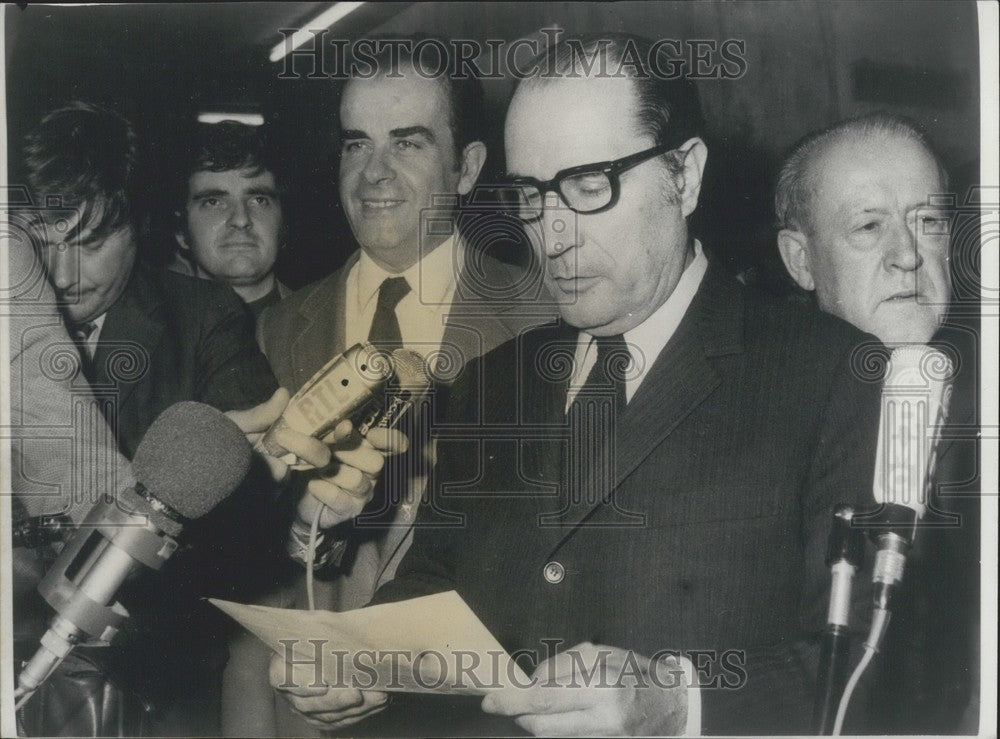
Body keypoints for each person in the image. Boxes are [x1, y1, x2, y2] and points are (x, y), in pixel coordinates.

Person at [268, 34, 884, 736]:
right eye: (529, 195)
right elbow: (438, 580)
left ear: (684, 175)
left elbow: (870, 663)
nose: (553, 235)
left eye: (590, 187)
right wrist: (366, 658)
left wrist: (678, 705)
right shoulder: (492, 379)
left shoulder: (829, 374)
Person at [226, 36, 553, 737]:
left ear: (467, 168)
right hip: (301, 702)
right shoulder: (276, 329)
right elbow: (246, 562)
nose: (373, 172)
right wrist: (291, 523)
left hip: (472, 709)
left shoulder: (545, 318)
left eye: (407, 143)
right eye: (356, 144)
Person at [22, 100, 281, 735]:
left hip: (155, 690)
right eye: (42, 245)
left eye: (91, 242)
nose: (63, 274)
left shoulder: (205, 319)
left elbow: (242, 532)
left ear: (140, 224)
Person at [774, 112, 979, 733]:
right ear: (801, 261)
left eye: (929, 222)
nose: (908, 256)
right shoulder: (755, 424)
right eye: (869, 226)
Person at [171, 120, 289, 318]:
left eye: (259, 200)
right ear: (181, 232)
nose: (241, 220)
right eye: (213, 202)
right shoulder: (144, 331)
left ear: (283, 222)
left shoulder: (329, 326)